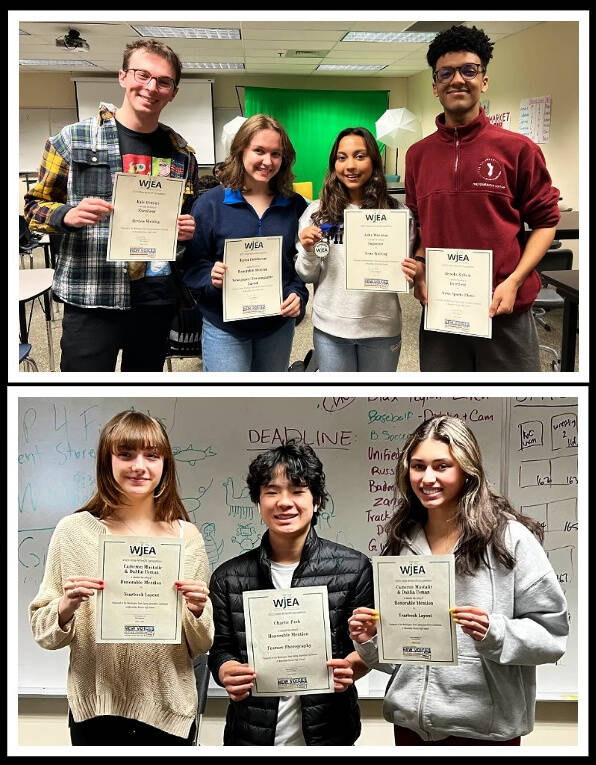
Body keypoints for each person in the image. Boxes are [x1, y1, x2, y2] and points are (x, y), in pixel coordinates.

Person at [349, 415, 568, 746]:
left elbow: (552, 635)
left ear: (467, 471)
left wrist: (494, 632)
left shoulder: (509, 539)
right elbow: (406, 656)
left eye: (442, 466)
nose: (428, 478)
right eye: (418, 466)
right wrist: (372, 641)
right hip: (410, 729)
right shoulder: (401, 541)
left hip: (484, 733)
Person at [29, 411, 214, 745]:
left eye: (151, 455)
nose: (139, 466)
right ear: (107, 462)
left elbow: (201, 645)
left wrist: (198, 612)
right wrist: (66, 606)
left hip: (168, 713)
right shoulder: (73, 532)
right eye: (125, 454)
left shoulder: (187, 538)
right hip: (96, 712)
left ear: (165, 465)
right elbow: (43, 632)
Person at [24, 39, 201, 372]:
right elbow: (34, 209)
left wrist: (182, 231)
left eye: (163, 81)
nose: (151, 87)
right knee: (82, 399)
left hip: (155, 300)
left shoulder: (181, 153)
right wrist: (67, 215)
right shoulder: (71, 139)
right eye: (142, 75)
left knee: (140, 398)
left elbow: (180, 219)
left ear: (173, 92)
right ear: (123, 77)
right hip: (92, 297)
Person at [402, 25, 561, 372]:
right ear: (435, 85)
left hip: (503, 307)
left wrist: (515, 280)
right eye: (446, 73)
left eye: (468, 70)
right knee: (446, 406)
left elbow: (547, 222)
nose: (457, 79)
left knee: (512, 405)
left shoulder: (518, 149)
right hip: (443, 309)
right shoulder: (417, 155)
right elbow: (420, 223)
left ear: (483, 80)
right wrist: (422, 269)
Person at [208, 440, 373, 745]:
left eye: (297, 491)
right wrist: (226, 669)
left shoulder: (355, 568)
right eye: (272, 491)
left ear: (317, 500)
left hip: (329, 735)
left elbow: (368, 648)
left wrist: (353, 667)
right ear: (258, 502)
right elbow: (221, 649)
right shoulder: (228, 578)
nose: (284, 502)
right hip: (249, 737)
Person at [182, 114, 309, 372]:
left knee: (268, 402)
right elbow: (193, 264)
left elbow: (300, 264)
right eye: (259, 151)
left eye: (276, 154)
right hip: (225, 327)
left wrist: (299, 295)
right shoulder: (211, 204)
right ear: (241, 151)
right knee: (229, 405)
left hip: (276, 326)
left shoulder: (295, 205)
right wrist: (210, 276)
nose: (267, 161)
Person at [295, 127, 411, 373]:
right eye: (342, 157)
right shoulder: (317, 213)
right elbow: (307, 275)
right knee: (337, 406)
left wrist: (412, 272)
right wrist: (308, 250)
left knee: (376, 404)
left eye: (360, 156)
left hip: (381, 328)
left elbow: (407, 282)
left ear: (374, 161)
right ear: (334, 163)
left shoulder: (398, 214)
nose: (350, 165)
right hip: (331, 329)